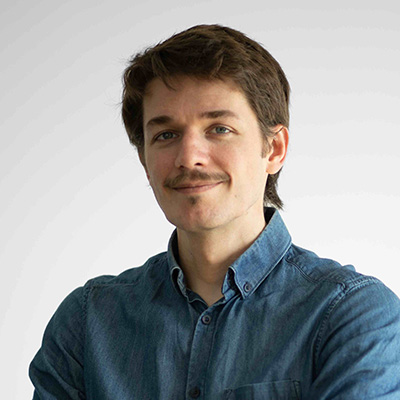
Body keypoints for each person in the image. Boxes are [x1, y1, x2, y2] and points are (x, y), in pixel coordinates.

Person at [29, 24, 400, 399]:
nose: (189, 157)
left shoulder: (351, 315)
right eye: (166, 135)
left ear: (274, 149)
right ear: (144, 161)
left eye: (219, 129)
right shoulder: (86, 323)